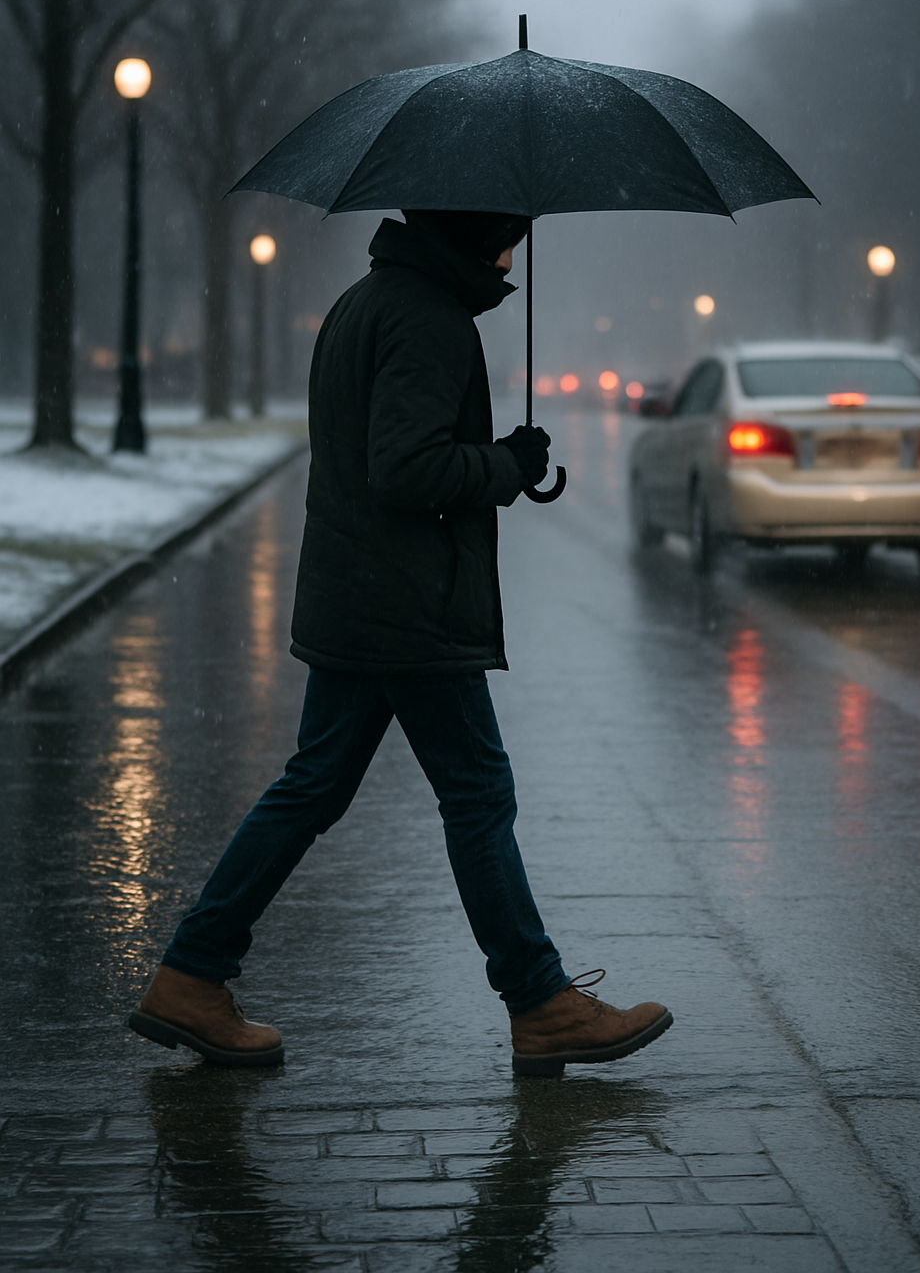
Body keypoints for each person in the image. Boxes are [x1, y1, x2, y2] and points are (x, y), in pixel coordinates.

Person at [129, 209, 672, 1075]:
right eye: (505, 241)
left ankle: (191, 976)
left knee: (311, 790)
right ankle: (539, 1002)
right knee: (478, 794)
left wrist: (493, 460)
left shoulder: (365, 301)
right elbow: (405, 469)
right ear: (468, 238)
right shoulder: (429, 318)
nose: (508, 259)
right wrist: (505, 466)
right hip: (410, 610)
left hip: (361, 597)